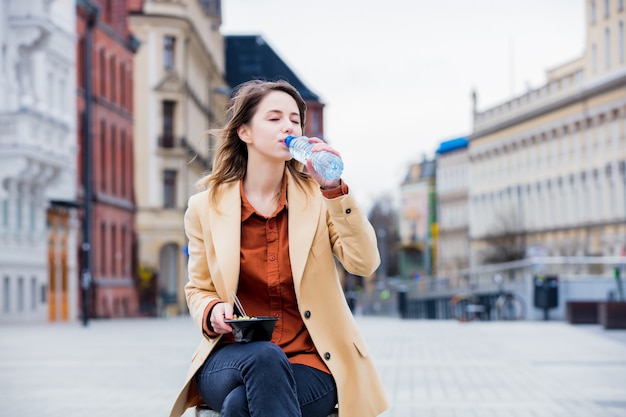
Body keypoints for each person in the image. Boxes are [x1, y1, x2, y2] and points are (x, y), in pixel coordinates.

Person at [169, 79, 388, 417]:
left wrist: (333, 190)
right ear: (245, 132)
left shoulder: (320, 200)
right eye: (274, 118)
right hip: (232, 357)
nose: (288, 125)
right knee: (263, 357)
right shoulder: (204, 208)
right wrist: (212, 311)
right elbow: (198, 288)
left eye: (294, 119)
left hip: (310, 361)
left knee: (239, 407)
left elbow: (364, 263)